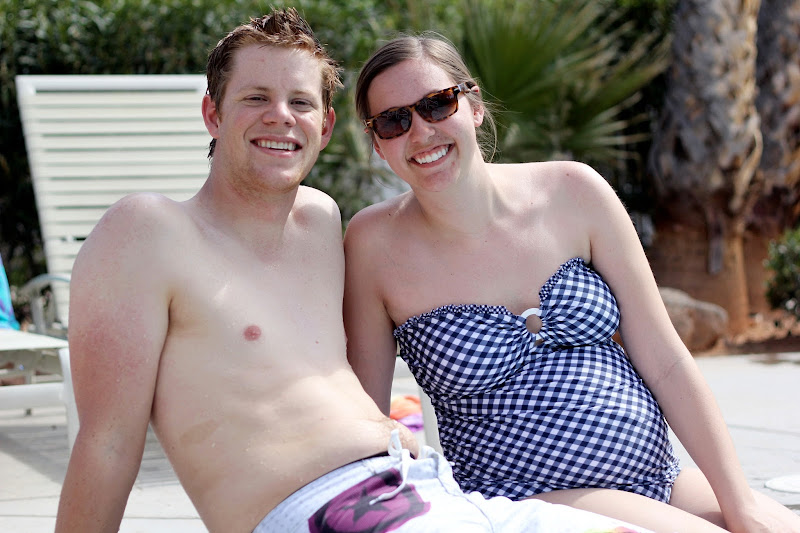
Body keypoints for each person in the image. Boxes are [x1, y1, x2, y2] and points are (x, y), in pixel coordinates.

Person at [54, 9, 653, 533]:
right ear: (213, 114)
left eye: (300, 102)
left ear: (326, 127)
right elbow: (106, 444)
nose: (280, 116)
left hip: (433, 488)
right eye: (256, 98)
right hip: (329, 508)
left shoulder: (319, 223)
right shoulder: (148, 231)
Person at [343, 33, 800, 533]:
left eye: (437, 104)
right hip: (520, 499)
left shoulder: (573, 191)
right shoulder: (372, 244)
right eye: (394, 120)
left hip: (657, 477)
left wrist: (739, 500)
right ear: (377, 143)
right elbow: (366, 413)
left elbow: (665, 360)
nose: (421, 130)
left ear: (473, 105)